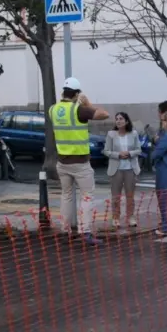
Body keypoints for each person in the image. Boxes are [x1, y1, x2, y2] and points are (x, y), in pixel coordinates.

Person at [51, 77, 110, 244]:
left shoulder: (53, 110)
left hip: (62, 162)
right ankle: (85, 232)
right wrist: (87, 103)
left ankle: (65, 230)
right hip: (80, 163)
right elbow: (104, 115)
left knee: (66, 196)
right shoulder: (79, 110)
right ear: (76, 94)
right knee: (87, 196)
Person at [105, 112, 141, 229]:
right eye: (117, 119)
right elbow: (106, 151)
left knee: (130, 195)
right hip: (116, 169)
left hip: (130, 168)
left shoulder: (133, 134)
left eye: (121, 119)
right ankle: (115, 218)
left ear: (126, 121)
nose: (118, 121)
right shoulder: (111, 134)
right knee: (116, 196)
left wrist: (129, 153)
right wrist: (118, 155)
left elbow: (138, 150)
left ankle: (130, 217)